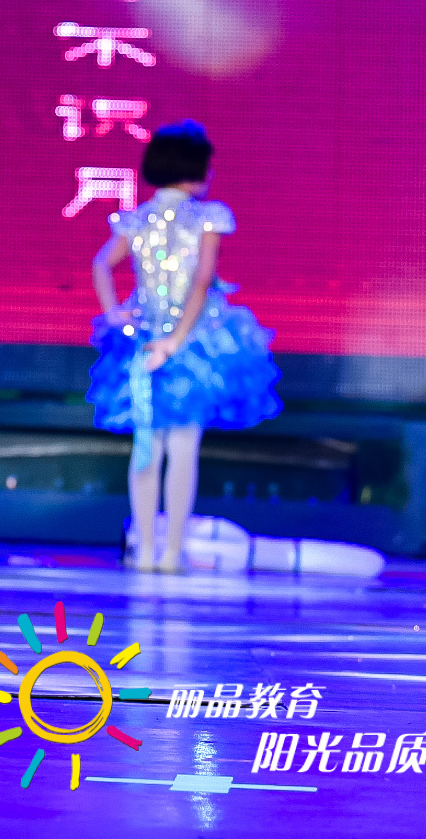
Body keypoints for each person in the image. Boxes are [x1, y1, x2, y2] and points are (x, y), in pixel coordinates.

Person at [87, 121, 280, 573]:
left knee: (146, 447)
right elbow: (201, 281)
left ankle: (147, 551)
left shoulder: (138, 218)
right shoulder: (205, 217)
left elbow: (101, 264)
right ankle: (171, 552)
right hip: (192, 344)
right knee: (181, 448)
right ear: (196, 168)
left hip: (145, 340)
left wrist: (116, 313)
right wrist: (174, 341)